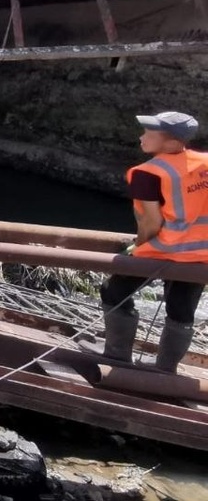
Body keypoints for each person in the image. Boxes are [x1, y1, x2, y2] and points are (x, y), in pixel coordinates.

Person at [99, 111, 206, 373]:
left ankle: (117, 357)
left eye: (149, 134)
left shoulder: (149, 173)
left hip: (164, 249)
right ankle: (165, 370)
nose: (141, 137)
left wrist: (138, 246)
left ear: (170, 142)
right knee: (181, 309)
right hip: (202, 253)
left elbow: (150, 223)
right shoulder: (204, 162)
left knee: (114, 292)